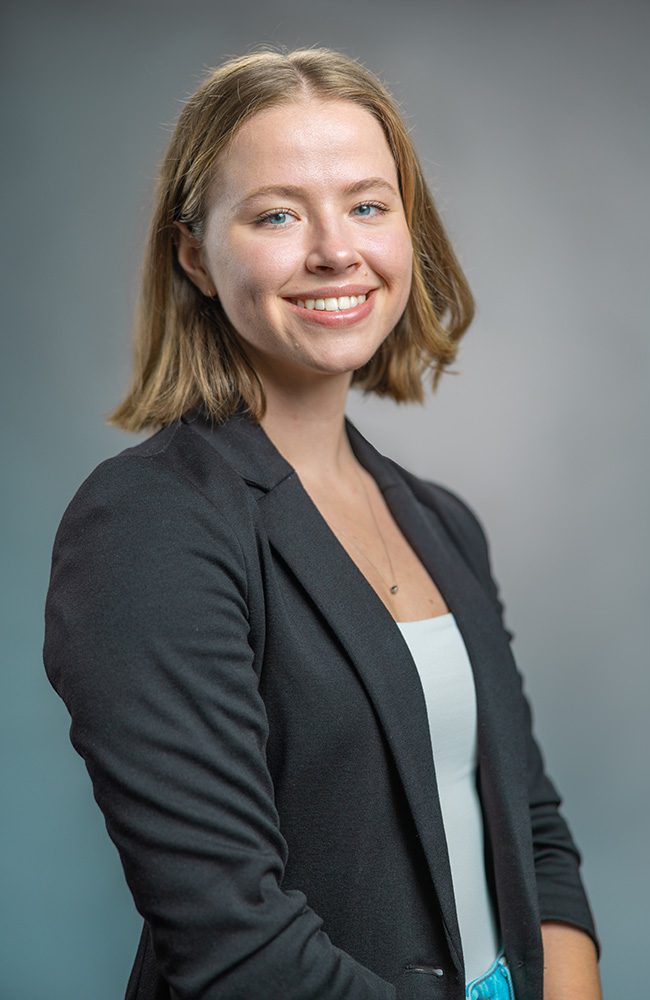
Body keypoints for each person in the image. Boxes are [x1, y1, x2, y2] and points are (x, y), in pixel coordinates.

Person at [43, 47, 602, 1000]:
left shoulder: (440, 522)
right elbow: (233, 941)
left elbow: (531, 825)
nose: (335, 249)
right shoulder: (148, 522)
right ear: (193, 255)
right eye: (275, 213)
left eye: (367, 203)